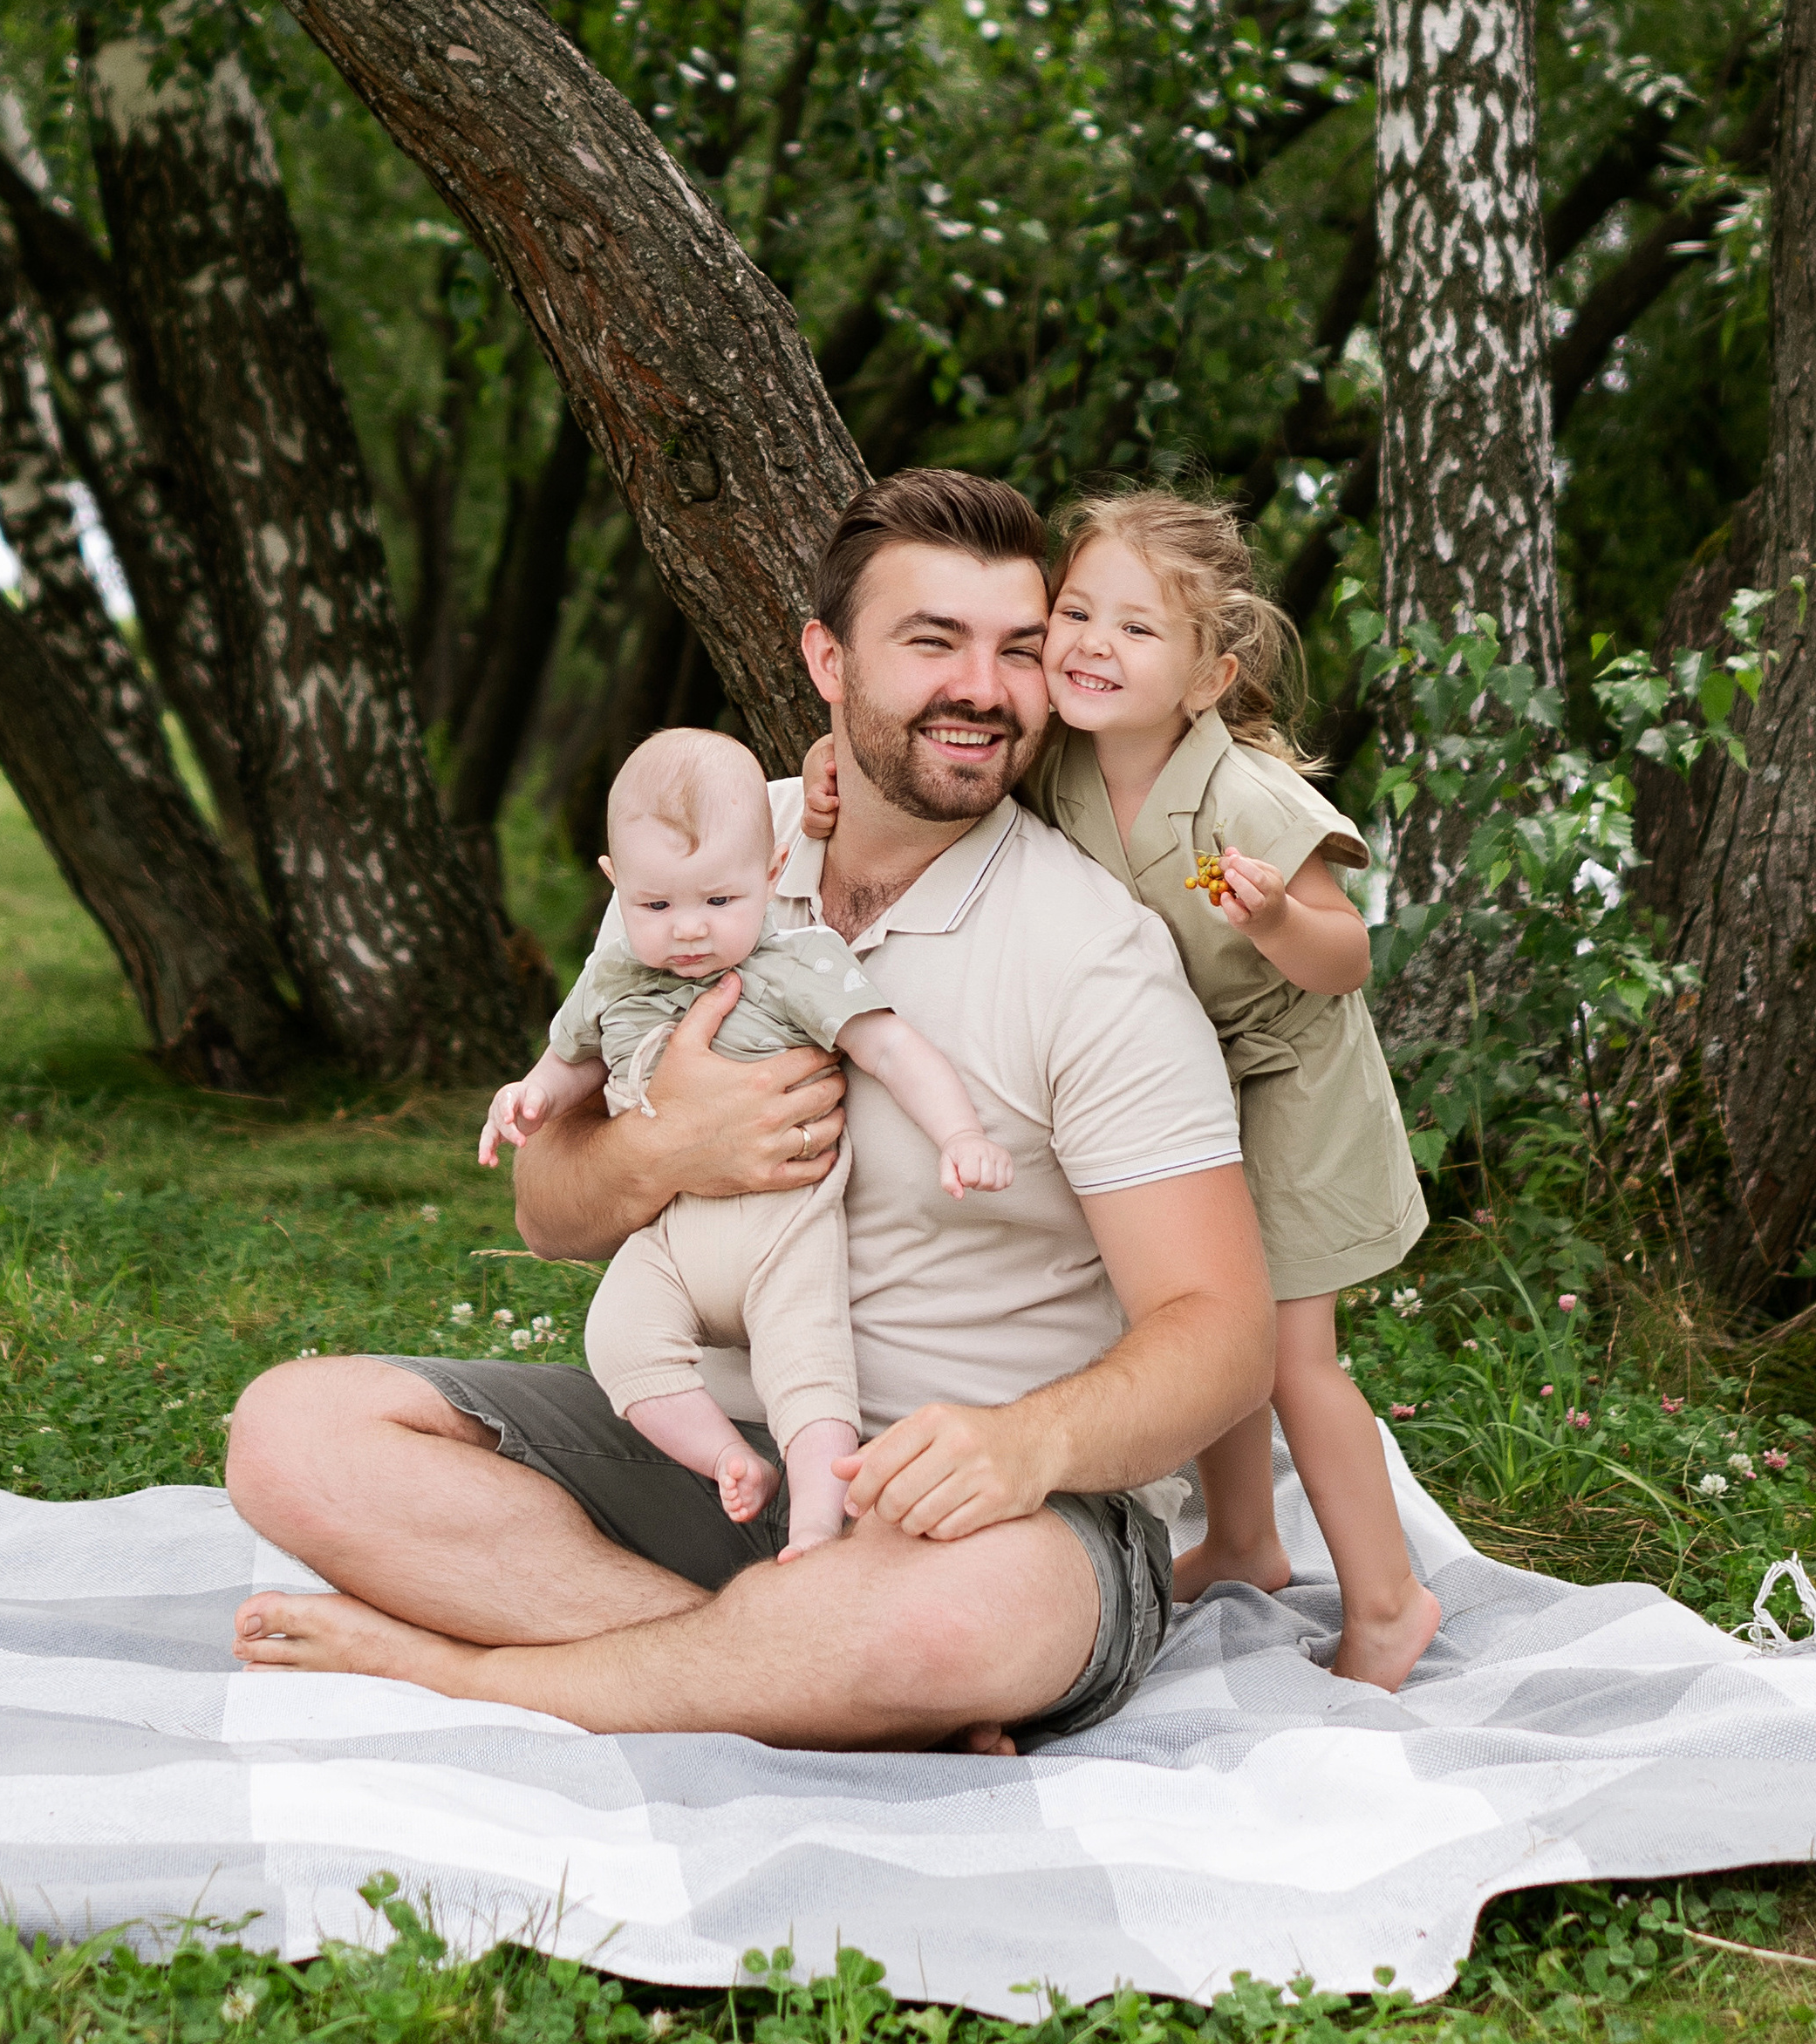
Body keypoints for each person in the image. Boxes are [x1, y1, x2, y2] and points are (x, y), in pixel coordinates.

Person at [224, 468, 1273, 1755]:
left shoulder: (1090, 952)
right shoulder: (706, 855)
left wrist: (1027, 1443)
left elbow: (1221, 1333)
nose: (984, 691)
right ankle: (780, 1673)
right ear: (826, 659)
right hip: (699, 1444)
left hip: (977, 1510)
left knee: (948, 1628)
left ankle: (475, 1680)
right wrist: (671, 1145)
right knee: (294, 1434)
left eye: (1016, 650)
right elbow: (548, 1212)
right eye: (932, 642)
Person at [806, 487, 1434, 1691]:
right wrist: (821, 766)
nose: (1092, 644)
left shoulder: (1243, 790)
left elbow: (1349, 958)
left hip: (1290, 1079)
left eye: (1137, 630)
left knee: (1292, 1356)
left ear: (1207, 677)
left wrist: (1276, 920)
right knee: (1209, 1310)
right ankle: (1245, 1542)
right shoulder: (1067, 775)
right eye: (1077, 614)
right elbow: (927, 761)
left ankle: (1391, 1600)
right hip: (1189, 1076)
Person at [481, 723, 1014, 1561]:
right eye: (656, 905)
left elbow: (893, 1048)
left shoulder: (799, 964)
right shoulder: (617, 972)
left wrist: (960, 1133)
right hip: (670, 1238)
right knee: (617, 1338)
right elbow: (567, 1064)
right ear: (616, 883)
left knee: (810, 1376)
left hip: (783, 1234)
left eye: (719, 902)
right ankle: (726, 1458)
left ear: (771, 874)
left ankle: (813, 1524)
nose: (687, 929)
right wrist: (525, 1099)